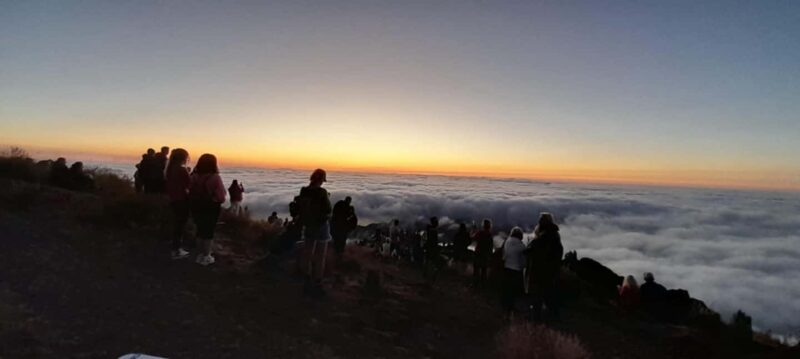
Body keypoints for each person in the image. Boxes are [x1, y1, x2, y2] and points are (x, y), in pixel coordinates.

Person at [295, 169, 332, 293]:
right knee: (320, 255)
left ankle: (306, 276)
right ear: (321, 180)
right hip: (321, 226)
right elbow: (328, 210)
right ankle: (317, 281)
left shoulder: (303, 190)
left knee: (307, 251)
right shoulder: (322, 192)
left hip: (308, 224)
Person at [525, 212, 564, 321]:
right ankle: (553, 316)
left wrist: (529, 245)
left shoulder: (543, 237)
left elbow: (530, 251)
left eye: (540, 220)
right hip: (551, 271)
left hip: (540, 271)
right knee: (549, 295)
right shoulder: (555, 235)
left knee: (538, 296)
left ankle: (537, 321)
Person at [189, 154, 226, 266]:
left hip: (196, 206)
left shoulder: (193, 176)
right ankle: (207, 256)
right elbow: (221, 197)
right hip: (211, 207)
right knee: (208, 232)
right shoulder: (215, 177)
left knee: (200, 229)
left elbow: (189, 190)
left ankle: (200, 254)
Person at [165, 148, 191, 259]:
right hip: (181, 200)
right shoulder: (181, 170)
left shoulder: (169, 169)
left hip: (172, 199)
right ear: (183, 158)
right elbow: (189, 184)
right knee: (180, 225)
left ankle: (174, 246)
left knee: (176, 223)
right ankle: (176, 250)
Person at [502, 227, 527, 317]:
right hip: (516, 271)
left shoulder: (507, 241)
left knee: (506, 289)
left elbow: (503, 255)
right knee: (513, 291)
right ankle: (511, 308)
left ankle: (505, 306)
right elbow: (524, 262)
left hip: (506, 268)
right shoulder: (522, 246)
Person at [472, 219, 494, 288]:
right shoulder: (490, 235)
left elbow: (473, 238)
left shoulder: (480, 233)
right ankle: (483, 284)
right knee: (484, 270)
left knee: (476, 270)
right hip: (485, 254)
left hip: (478, 253)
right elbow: (491, 246)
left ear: (483, 225)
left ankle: (475, 284)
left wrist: (474, 231)